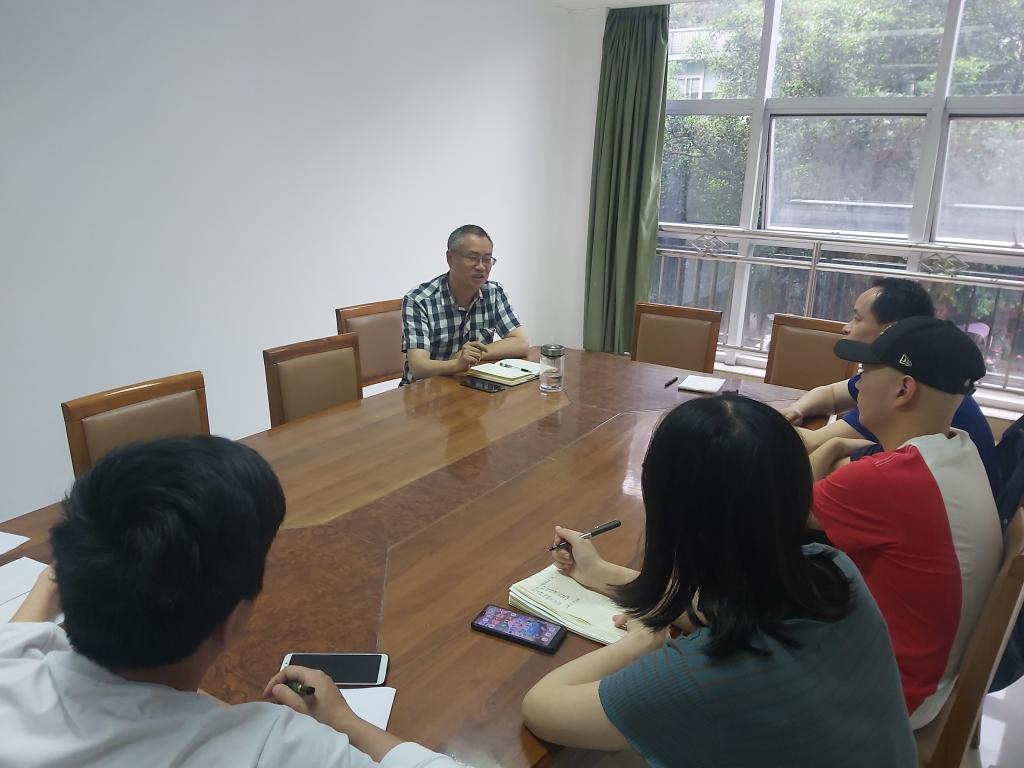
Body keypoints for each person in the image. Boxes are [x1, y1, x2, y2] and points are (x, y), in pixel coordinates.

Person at [0, 436, 466, 768]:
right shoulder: (276, 748)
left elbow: (16, 641)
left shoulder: (14, 682)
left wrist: (71, 567)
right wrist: (348, 724)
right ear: (233, 620)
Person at [521, 395, 916, 767]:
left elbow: (542, 708)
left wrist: (642, 641)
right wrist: (601, 572)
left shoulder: (699, 678)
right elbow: (721, 610)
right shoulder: (832, 570)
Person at [809, 317, 1002, 728]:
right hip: (928, 678)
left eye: (865, 371)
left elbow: (779, 510)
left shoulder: (887, 479)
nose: (858, 384)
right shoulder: (960, 448)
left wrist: (828, 449)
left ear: (903, 389)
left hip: (887, 694)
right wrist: (839, 445)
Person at [785, 277, 998, 494]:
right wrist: (796, 409)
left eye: (857, 319)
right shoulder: (917, 372)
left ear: (890, 331)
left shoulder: (905, 392)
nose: (846, 327)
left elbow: (810, 445)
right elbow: (831, 394)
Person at [401, 224, 528, 384]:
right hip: (424, 391)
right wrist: (456, 363)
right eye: (472, 258)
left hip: (468, 386)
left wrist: (476, 353)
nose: (481, 267)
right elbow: (419, 368)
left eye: (487, 259)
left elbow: (521, 342)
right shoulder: (419, 300)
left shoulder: (494, 292)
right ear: (450, 258)